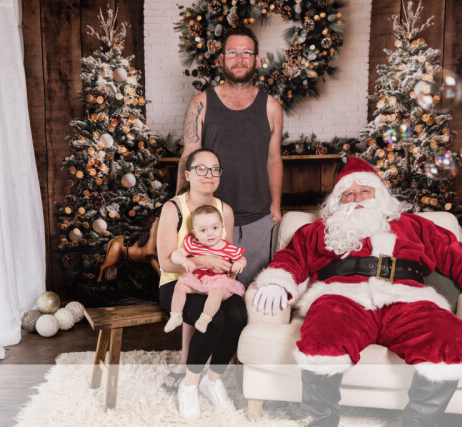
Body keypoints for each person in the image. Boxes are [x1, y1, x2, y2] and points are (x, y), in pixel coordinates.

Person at [252, 157, 462, 427]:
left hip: (408, 299)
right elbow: (292, 257)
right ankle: (323, 422)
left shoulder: (415, 225)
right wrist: (278, 281)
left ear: (379, 194)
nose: (357, 198)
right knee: (323, 336)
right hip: (342, 297)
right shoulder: (319, 230)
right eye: (349, 194)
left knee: (446, 338)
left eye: (365, 191)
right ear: (338, 201)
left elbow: (456, 255)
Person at [178, 25, 283, 288]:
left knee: (253, 293)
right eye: (233, 52)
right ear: (221, 59)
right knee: (209, 292)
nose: (239, 58)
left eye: (246, 53)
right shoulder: (201, 103)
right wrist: (179, 205)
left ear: (256, 60)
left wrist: (276, 206)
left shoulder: (271, 107)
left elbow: (274, 159)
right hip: (209, 218)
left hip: (257, 218)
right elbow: (189, 155)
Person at [157, 148, 247, 420]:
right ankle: (189, 384)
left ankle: (213, 379)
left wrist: (230, 271)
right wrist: (202, 260)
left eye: (215, 169)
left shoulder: (224, 210)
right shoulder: (173, 208)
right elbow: (165, 263)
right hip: (179, 283)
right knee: (214, 320)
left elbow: (227, 253)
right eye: (201, 169)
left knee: (238, 316)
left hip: (216, 282)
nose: (209, 174)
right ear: (188, 174)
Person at [164, 205, 247, 334]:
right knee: (180, 286)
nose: (210, 233)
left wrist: (240, 263)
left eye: (215, 228)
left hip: (219, 281)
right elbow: (175, 254)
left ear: (222, 228)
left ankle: (205, 318)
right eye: (203, 230)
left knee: (217, 291)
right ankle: (175, 315)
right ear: (195, 233)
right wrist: (184, 260)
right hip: (198, 280)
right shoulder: (195, 244)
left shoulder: (228, 248)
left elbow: (242, 258)